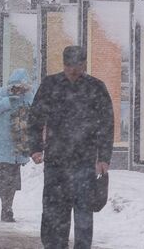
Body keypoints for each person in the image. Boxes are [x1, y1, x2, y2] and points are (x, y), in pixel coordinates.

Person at [28, 45, 113, 249]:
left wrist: (103, 157)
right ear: (63, 65)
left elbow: (106, 123)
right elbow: (35, 117)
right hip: (56, 159)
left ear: (84, 64)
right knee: (53, 210)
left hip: (84, 160)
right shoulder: (51, 84)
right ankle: (53, 245)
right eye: (69, 66)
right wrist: (35, 147)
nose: (73, 70)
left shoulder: (96, 87)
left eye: (77, 65)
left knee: (84, 212)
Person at [0, 68, 35, 223]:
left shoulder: (29, 97)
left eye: (22, 87)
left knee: (12, 181)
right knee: (4, 180)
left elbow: (36, 115)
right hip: (0, 148)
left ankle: (7, 206)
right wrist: (7, 102)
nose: (19, 90)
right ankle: (6, 208)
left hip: (17, 148)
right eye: (16, 87)